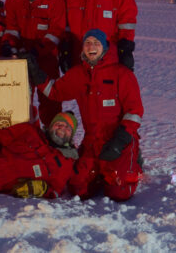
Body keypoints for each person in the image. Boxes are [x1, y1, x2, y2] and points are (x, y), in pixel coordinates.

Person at [35, 28, 143, 201]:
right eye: (87, 43)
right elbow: (55, 92)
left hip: (120, 139)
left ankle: (133, 162)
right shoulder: (78, 74)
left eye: (96, 43)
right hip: (92, 141)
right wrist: (37, 74)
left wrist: (120, 139)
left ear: (105, 48)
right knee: (78, 188)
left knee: (119, 191)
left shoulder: (122, 74)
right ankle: (102, 172)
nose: (91, 46)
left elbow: (135, 111)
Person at [1, 0, 66, 126]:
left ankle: (53, 137)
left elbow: (56, 32)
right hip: (21, 59)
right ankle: (24, 138)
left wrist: (38, 51)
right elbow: (11, 28)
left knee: (50, 100)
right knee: (20, 101)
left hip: (47, 59)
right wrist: (9, 44)